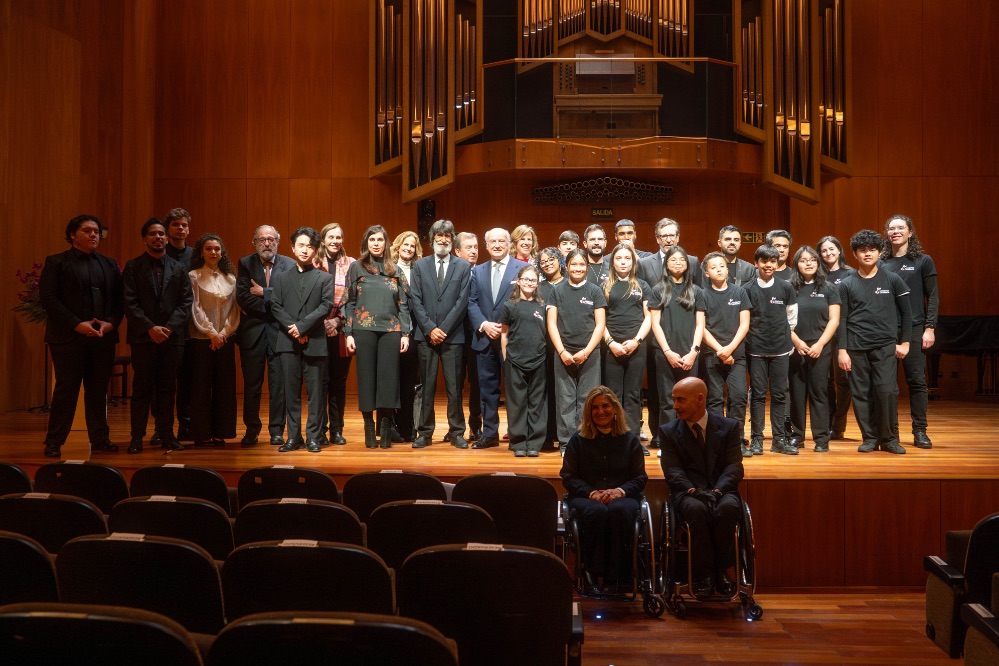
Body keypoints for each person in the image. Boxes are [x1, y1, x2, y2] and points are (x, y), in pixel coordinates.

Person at [39, 214, 124, 458]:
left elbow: (120, 301)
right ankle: (54, 441)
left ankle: (99, 438)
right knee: (67, 389)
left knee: (98, 390)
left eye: (96, 231)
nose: (93, 235)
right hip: (69, 337)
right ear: (72, 235)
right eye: (87, 231)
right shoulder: (56, 262)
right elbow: (49, 299)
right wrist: (77, 324)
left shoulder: (108, 264)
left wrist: (110, 324)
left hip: (101, 337)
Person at [659, 377, 744, 598]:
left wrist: (717, 491)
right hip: (689, 493)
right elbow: (672, 471)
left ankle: (722, 571)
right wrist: (694, 491)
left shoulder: (729, 427)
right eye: (674, 400)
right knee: (697, 510)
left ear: (699, 399)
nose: (675, 406)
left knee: (728, 509)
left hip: (722, 490)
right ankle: (704, 574)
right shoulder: (668, 432)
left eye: (680, 400)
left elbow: (734, 467)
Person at [560, 386, 648, 591]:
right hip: (586, 496)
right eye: (595, 407)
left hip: (622, 496)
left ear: (615, 408)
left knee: (618, 510)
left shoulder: (630, 440)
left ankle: (617, 576)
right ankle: (591, 570)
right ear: (589, 412)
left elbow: (640, 477)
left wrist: (619, 491)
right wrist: (591, 492)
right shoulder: (578, 440)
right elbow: (568, 476)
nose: (601, 411)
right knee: (597, 511)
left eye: (605, 406)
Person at [838, 229, 912, 455]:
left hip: (885, 346)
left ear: (880, 252)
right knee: (861, 394)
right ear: (855, 254)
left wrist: (905, 343)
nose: (867, 254)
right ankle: (870, 437)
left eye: (872, 250)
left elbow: (907, 314)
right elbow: (841, 319)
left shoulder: (892, 278)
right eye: (862, 250)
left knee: (886, 391)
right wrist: (842, 349)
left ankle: (889, 439)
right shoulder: (846, 283)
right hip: (856, 347)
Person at [123, 218, 193, 454]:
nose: (158, 237)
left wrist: (169, 328)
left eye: (162, 233)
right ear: (145, 239)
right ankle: (136, 437)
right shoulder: (132, 267)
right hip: (144, 339)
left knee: (167, 390)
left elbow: (186, 302)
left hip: (172, 340)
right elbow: (129, 303)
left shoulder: (179, 267)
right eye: (153, 234)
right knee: (142, 390)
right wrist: (150, 328)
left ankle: (167, 436)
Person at [344, 225, 412, 448]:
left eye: (380, 240)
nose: (376, 243)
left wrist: (405, 333)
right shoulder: (356, 267)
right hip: (363, 330)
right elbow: (349, 302)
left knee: (388, 379)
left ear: (386, 243)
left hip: (391, 331)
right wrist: (348, 333)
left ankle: (385, 426)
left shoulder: (396, 270)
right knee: (366, 378)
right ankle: (368, 427)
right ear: (366, 243)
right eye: (372, 239)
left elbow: (403, 304)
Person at [270, 227, 334, 453]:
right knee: (290, 392)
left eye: (310, 246)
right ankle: (293, 437)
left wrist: (303, 326)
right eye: (301, 245)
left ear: (316, 250)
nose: (305, 250)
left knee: (316, 394)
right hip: (288, 341)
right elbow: (275, 305)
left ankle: (313, 438)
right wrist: (294, 329)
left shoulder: (325, 277)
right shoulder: (281, 277)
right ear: (292, 247)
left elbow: (326, 306)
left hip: (315, 340)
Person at [410, 219, 472, 449]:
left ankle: (456, 432)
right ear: (432, 239)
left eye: (447, 236)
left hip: (452, 336)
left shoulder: (463, 266)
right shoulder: (420, 266)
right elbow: (415, 299)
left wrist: (442, 329)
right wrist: (429, 328)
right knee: (426, 386)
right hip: (426, 336)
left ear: (452, 239)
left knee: (454, 387)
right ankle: (425, 432)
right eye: (439, 236)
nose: (443, 240)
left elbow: (462, 302)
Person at [467, 228, 528, 449]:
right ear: (486, 244)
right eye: (492, 241)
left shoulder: (522, 268)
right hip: (484, 337)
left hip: (512, 339)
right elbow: (471, 301)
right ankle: (489, 433)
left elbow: (528, 302)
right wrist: (483, 324)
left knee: (515, 388)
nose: (497, 245)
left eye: (501, 241)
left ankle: (517, 434)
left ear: (509, 243)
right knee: (487, 388)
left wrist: (504, 327)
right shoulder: (478, 271)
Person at [881, 214, 938, 449]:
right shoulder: (880, 263)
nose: (895, 231)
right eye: (891, 228)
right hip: (886, 330)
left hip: (914, 327)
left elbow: (933, 295)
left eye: (900, 228)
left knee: (916, 382)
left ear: (909, 232)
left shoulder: (923, 261)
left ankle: (920, 431)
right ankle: (891, 433)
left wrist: (930, 327)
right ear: (887, 233)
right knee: (887, 385)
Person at [235, 225, 295, 446]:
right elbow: (242, 297)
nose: (267, 243)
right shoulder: (245, 263)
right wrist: (274, 304)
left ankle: (276, 430)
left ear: (278, 241)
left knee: (278, 385)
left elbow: (289, 297)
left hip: (280, 333)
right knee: (252, 385)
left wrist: (265, 293)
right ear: (255, 242)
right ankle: (251, 430)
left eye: (271, 239)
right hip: (253, 333)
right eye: (262, 240)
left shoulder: (289, 264)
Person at [547, 249, 607, 451]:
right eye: (574, 264)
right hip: (563, 353)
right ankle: (566, 443)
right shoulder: (557, 291)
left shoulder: (595, 291)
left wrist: (587, 351)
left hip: (589, 353)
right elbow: (552, 324)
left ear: (587, 268)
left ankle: (586, 440)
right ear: (567, 266)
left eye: (582, 265)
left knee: (587, 399)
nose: (578, 268)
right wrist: (562, 352)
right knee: (565, 400)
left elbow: (600, 325)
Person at [744, 244, 798, 455]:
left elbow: (791, 317)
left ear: (777, 263)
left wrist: (788, 341)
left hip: (780, 349)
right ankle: (757, 439)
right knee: (757, 395)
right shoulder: (747, 288)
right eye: (764, 261)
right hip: (756, 349)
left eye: (772, 261)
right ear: (756, 263)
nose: (768, 265)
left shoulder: (786, 287)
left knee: (779, 395)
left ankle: (779, 440)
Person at [187, 233, 240, 447]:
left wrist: (224, 333)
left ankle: (221, 433)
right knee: (200, 387)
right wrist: (211, 333)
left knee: (224, 387)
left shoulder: (231, 278)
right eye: (209, 248)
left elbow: (234, 311)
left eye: (217, 249)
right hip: (201, 339)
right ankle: (201, 433)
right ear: (202, 252)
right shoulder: (194, 276)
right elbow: (195, 309)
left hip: (225, 340)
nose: (213, 252)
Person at [788, 246, 841, 452]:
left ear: (818, 263)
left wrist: (819, 344)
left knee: (819, 393)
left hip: (822, 347)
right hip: (795, 347)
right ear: (796, 264)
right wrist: (797, 342)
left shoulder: (828, 288)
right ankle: (797, 435)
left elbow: (834, 320)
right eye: (803, 260)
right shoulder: (789, 288)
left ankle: (821, 438)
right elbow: (783, 320)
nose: (808, 263)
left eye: (812, 260)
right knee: (797, 393)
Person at [699, 251, 751, 457]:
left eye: (722, 266)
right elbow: (700, 327)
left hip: (736, 354)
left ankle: (736, 441)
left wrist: (729, 349)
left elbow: (745, 323)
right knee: (714, 399)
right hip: (712, 354)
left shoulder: (739, 292)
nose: (719, 269)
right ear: (706, 272)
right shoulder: (702, 294)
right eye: (714, 267)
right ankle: (715, 441)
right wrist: (719, 350)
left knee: (738, 397)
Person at [601, 244, 652, 452]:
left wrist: (636, 341)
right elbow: (599, 320)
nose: (623, 262)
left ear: (633, 262)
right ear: (612, 262)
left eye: (627, 258)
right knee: (613, 394)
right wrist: (610, 342)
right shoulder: (604, 286)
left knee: (632, 394)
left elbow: (649, 317)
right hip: (611, 346)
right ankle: (613, 439)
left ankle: (631, 441)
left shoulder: (642, 286)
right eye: (619, 258)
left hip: (636, 346)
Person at [649, 246, 705, 429]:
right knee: (667, 399)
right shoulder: (658, 290)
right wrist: (667, 351)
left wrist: (694, 352)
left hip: (690, 353)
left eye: (682, 259)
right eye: (673, 260)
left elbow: (700, 324)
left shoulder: (696, 291)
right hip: (665, 353)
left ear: (688, 265)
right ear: (666, 264)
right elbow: (655, 323)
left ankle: (689, 435)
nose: (678, 262)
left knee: (690, 399)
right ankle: (667, 440)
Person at [500, 265, 549, 457]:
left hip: (538, 359)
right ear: (519, 281)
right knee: (517, 403)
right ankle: (519, 442)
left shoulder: (542, 306)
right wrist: (506, 358)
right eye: (526, 279)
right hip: (515, 360)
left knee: (537, 402)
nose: (530, 283)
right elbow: (504, 335)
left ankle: (535, 442)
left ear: (537, 284)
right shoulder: (509, 306)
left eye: (533, 280)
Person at [315, 222, 354, 446]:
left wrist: (337, 321)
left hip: (341, 331)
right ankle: (320, 430)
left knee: (339, 383)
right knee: (320, 382)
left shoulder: (351, 264)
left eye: (339, 237)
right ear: (323, 239)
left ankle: (337, 430)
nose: (335, 241)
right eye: (331, 237)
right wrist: (323, 321)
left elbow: (353, 299)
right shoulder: (313, 262)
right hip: (317, 331)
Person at [818, 235, 854, 439]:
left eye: (832, 249)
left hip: (843, 333)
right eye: (824, 250)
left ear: (839, 250)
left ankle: (839, 424)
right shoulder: (818, 275)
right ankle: (828, 421)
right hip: (823, 333)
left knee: (843, 380)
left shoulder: (851, 274)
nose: (828, 253)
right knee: (825, 381)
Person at [164, 208, 195, 441]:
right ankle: (160, 429)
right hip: (163, 328)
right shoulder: (158, 253)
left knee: (187, 381)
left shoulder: (196, 256)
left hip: (190, 327)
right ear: (168, 228)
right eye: (176, 224)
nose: (180, 228)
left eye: (184, 225)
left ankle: (185, 425)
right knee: (162, 383)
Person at [389, 230, 422, 441]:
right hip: (391, 330)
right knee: (391, 380)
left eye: (412, 245)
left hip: (414, 331)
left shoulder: (419, 270)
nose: (408, 248)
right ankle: (390, 427)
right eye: (405, 245)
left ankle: (408, 427)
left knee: (410, 380)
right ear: (398, 246)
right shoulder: (388, 269)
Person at [537, 247, 567, 449]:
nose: (547, 264)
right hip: (543, 347)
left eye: (551, 260)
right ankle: (547, 435)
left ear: (560, 261)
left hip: (566, 345)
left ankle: (564, 434)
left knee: (563, 391)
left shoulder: (569, 283)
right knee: (545, 391)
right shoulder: (538, 288)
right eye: (543, 262)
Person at [455, 231, 482, 441]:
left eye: (476, 247)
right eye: (468, 248)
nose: (473, 251)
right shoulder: (451, 272)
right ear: (457, 251)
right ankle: (455, 429)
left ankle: (476, 426)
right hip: (454, 335)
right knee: (454, 384)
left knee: (476, 384)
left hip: (476, 337)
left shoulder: (481, 272)